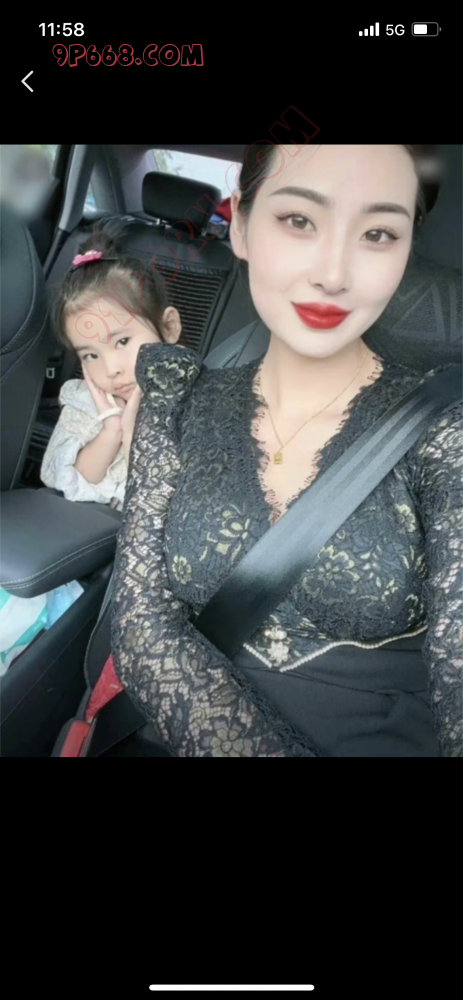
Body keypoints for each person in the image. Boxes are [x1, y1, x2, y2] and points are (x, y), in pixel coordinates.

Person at [110, 144, 462, 758]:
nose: (333, 273)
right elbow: (141, 624)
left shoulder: (445, 430)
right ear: (241, 224)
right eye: (299, 220)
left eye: (378, 233)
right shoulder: (176, 400)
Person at [41, 225, 182, 508]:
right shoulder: (84, 401)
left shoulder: (189, 400)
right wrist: (112, 429)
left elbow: (161, 496)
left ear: (168, 327)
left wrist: (131, 434)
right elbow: (66, 480)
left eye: (122, 342)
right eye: (91, 355)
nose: (111, 369)